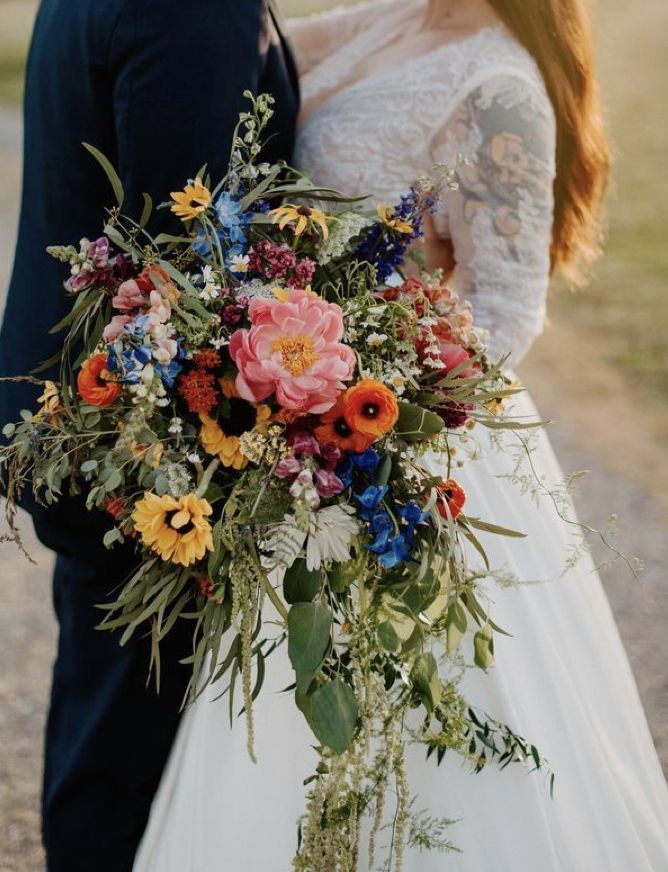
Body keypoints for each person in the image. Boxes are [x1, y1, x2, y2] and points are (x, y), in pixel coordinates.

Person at [131, 0, 668, 869]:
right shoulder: (389, 20)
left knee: (422, 706)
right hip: (300, 422)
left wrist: (351, 409)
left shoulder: (502, 90)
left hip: (396, 444)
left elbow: (502, 312)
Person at [0, 1, 298, 869]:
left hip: (86, 412)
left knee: (104, 716)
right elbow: (184, 261)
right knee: (131, 757)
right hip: (143, 442)